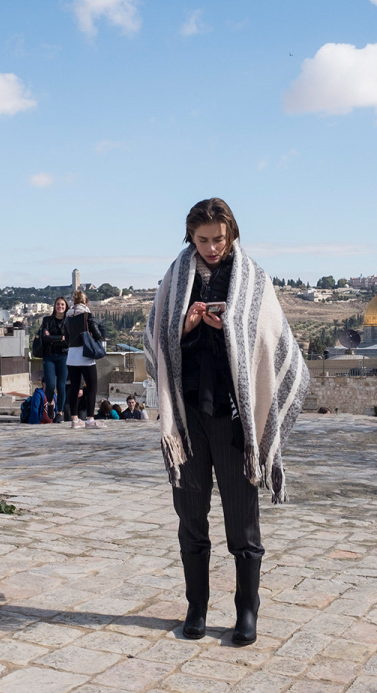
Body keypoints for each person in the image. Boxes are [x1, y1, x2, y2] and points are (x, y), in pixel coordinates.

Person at [144, 197, 309, 646]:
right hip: (188, 415)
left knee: (243, 523)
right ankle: (195, 607)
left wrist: (231, 327)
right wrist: (188, 326)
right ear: (190, 238)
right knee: (191, 520)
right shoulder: (175, 279)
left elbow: (274, 339)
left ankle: (246, 611)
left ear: (232, 233)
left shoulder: (254, 279)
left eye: (219, 238)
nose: (213, 247)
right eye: (203, 240)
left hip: (236, 420)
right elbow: (154, 338)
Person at [66, 290, 104, 429]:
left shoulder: (68, 316)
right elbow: (98, 335)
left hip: (71, 356)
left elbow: (66, 336)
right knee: (92, 387)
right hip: (85, 355)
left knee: (74, 388)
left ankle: (75, 420)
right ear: (86, 302)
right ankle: (89, 419)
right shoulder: (87, 315)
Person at [39, 297, 70, 420]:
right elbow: (44, 338)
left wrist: (52, 338)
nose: (60, 306)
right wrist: (60, 338)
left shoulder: (68, 321)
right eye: (58, 304)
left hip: (63, 356)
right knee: (50, 385)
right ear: (54, 306)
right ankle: (51, 403)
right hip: (49, 356)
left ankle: (60, 412)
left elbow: (67, 340)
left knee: (61, 386)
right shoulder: (47, 320)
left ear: (66, 306)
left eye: (62, 304)